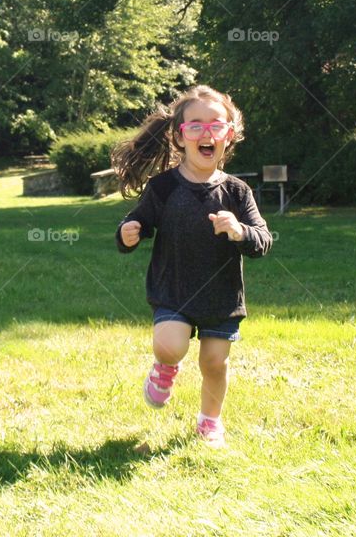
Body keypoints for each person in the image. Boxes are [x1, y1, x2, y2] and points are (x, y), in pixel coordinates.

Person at [111, 85, 272, 447]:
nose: (206, 133)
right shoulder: (164, 187)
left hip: (221, 298)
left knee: (215, 364)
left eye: (216, 126)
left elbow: (262, 241)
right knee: (170, 345)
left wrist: (239, 230)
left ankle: (209, 421)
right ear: (179, 137)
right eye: (195, 126)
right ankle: (165, 367)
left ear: (229, 136)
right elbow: (136, 224)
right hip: (174, 291)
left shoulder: (237, 192)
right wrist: (128, 234)